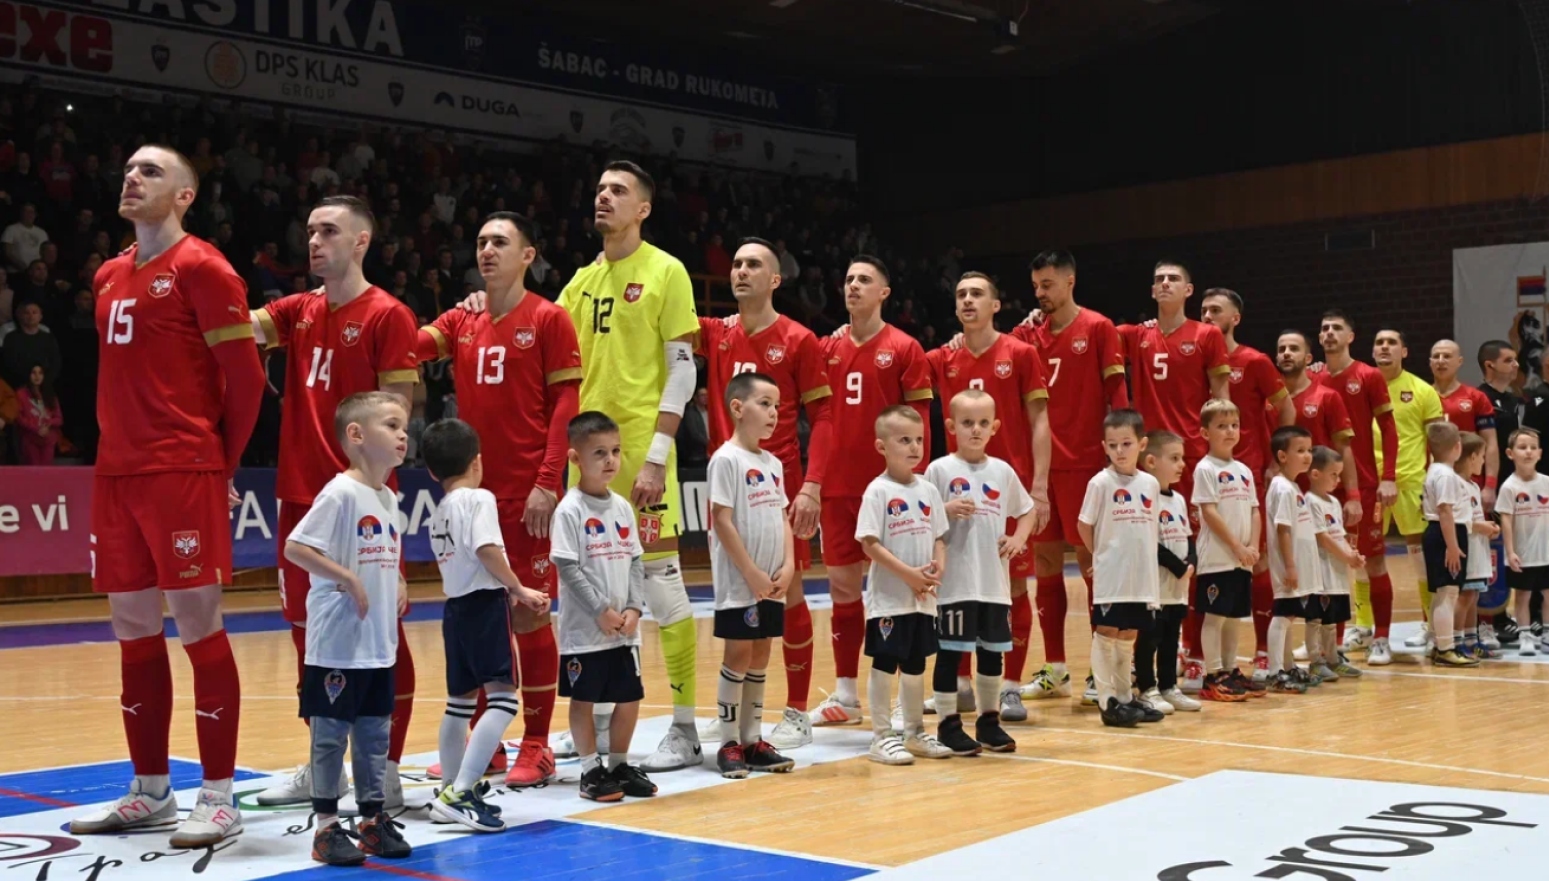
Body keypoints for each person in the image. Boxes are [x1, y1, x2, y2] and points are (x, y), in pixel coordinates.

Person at [69, 144, 263, 848]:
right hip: (116, 473)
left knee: (199, 626)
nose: (132, 177)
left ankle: (219, 797)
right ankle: (150, 791)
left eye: (150, 171)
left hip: (182, 469)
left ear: (185, 195)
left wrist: (221, 464)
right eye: (128, 168)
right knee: (132, 628)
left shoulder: (204, 267)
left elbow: (246, 381)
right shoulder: (108, 273)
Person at [251, 196, 420, 807]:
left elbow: (397, 420)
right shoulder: (297, 309)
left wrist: (383, 506)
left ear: (361, 241)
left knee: (383, 638)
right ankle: (323, 767)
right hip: (301, 498)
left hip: (361, 502)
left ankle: (387, 767)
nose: (315, 241)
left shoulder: (388, 315)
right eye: (311, 231)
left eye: (329, 231)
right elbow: (233, 324)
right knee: (309, 637)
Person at [417, 212, 580, 788]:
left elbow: (565, 406)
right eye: (482, 241)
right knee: (480, 616)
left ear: (527, 255)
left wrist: (547, 479)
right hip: (472, 498)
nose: (487, 250)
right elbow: (411, 345)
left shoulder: (549, 318)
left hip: (527, 492)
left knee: (528, 614)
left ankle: (536, 743)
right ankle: (486, 746)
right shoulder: (462, 319)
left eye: (500, 242)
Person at [556, 162, 702, 773]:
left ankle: (686, 727)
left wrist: (656, 458)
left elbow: (683, 371)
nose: (604, 197)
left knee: (660, 589)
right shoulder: (581, 280)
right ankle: (590, 722)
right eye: (599, 189)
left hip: (640, 454)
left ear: (643, 208)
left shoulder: (666, 270)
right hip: (584, 457)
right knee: (590, 593)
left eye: (618, 191)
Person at [695, 238, 833, 750]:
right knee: (736, 595)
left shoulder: (798, 339)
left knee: (786, 592)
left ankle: (795, 711)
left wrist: (812, 485)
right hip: (729, 482)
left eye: (753, 264)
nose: (740, 271)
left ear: (775, 279)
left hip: (782, 484)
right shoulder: (714, 332)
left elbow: (825, 417)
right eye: (735, 263)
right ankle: (732, 716)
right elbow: (653, 317)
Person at [282, 391, 414, 865]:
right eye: (392, 425)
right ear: (356, 435)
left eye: (404, 427)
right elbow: (297, 548)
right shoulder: (339, 492)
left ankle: (372, 821)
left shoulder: (388, 496)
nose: (403, 435)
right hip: (337, 645)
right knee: (331, 737)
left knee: (375, 734)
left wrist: (398, 580)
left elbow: (384, 550)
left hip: (377, 643)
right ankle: (325, 828)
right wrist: (347, 577)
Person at [811, 257, 933, 728]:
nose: (853, 286)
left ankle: (904, 695)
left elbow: (920, 425)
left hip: (890, 490)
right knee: (843, 588)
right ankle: (846, 695)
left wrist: (918, 482)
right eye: (848, 279)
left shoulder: (904, 347)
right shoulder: (826, 347)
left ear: (884, 292)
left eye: (864, 280)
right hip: (837, 488)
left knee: (901, 588)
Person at [925, 273, 1049, 724]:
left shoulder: (1020, 353)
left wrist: (1038, 488)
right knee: (957, 587)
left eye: (977, 293)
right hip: (957, 490)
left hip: (1005, 490)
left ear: (996, 305)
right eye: (961, 294)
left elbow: (1039, 420)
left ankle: (1010, 686)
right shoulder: (942, 357)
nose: (968, 300)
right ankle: (959, 685)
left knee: (1012, 589)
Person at [420, 418, 552, 830]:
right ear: (477, 461)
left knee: (459, 704)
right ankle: (461, 792)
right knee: (503, 701)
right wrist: (518, 588)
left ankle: (449, 790)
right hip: (483, 606)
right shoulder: (479, 498)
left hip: (455, 610)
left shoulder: (439, 510)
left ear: (431, 472)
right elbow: (486, 548)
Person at [1010, 251, 1128, 704]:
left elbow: (1117, 393)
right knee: (1045, 565)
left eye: (1047, 285)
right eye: (1035, 286)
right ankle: (1056, 669)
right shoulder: (1027, 334)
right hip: (1041, 469)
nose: (1039, 293)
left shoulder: (1098, 327)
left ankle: (1102, 670)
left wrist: (1121, 455)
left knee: (1092, 562)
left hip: (1085, 464)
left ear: (1070, 281)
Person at [1117, 261, 1231, 695]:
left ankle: (1194, 653)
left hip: (1189, 459)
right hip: (1145, 462)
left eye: (1173, 279)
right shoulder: (1136, 335)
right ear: (1152, 291)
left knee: (1193, 558)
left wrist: (1219, 452)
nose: (1165, 283)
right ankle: (1144, 660)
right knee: (1147, 554)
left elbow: (1221, 401)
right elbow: (1085, 328)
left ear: (1189, 289)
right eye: (1159, 279)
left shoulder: (1206, 335)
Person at [924, 390, 1036, 753]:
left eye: (983, 423)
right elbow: (922, 515)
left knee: (991, 654)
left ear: (995, 427)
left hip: (993, 583)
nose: (975, 429)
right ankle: (947, 726)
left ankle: (989, 723)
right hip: (955, 583)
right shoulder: (939, 469)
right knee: (950, 654)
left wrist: (1018, 538)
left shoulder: (1002, 471)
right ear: (951, 426)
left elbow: (1028, 510)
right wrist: (945, 509)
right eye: (967, 422)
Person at [550, 411, 654, 802]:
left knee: (629, 696)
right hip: (585, 631)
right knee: (585, 699)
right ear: (575, 458)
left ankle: (619, 764)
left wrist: (634, 608)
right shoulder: (570, 509)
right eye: (599, 453)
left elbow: (635, 561)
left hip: (624, 630)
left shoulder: (623, 507)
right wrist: (600, 611)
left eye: (615, 451)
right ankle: (590, 769)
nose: (610, 460)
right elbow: (568, 568)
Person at [707, 372, 799, 778]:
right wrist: (751, 573)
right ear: (737, 408)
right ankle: (729, 743)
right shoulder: (726, 459)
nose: (774, 413)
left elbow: (782, 517)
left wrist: (789, 565)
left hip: (772, 581)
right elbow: (722, 520)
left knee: (762, 652)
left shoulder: (773, 463)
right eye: (765, 403)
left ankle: (752, 739)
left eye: (777, 406)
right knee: (739, 653)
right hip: (741, 581)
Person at [1201, 289, 1294, 679]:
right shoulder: (1197, 356)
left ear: (1235, 318)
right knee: (1209, 564)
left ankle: (1261, 651)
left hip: (1248, 472)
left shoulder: (1253, 361)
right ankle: (1201, 659)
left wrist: (1274, 461)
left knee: (1256, 562)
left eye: (1215, 310)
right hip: (1205, 471)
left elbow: (1287, 407)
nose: (1207, 316)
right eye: (1203, 310)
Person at [857, 405, 949, 764]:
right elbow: (869, 543)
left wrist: (937, 570)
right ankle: (881, 737)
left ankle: (914, 732)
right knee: (885, 661)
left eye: (919, 440)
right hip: (889, 600)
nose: (914, 447)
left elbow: (939, 536)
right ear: (882, 446)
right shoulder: (877, 491)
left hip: (923, 599)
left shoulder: (928, 489)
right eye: (905, 440)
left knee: (915, 663)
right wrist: (909, 574)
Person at [1312, 310, 1399, 664]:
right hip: (1320, 487)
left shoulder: (1368, 375)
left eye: (1337, 328)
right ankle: (1331, 641)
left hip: (1361, 484)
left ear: (1351, 336)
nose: (1329, 333)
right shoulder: (1312, 376)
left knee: (1373, 562)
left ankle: (1382, 638)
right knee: (1325, 564)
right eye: (1324, 328)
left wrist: (1388, 476)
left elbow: (1389, 429)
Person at [1078, 408, 1164, 728]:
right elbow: (1084, 524)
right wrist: (1100, 556)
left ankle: (1126, 697)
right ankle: (1107, 701)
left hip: (1141, 576)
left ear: (1142, 444)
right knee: (1107, 631)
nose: (1119, 451)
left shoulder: (1151, 484)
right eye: (1112, 445)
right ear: (1104, 446)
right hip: (1112, 575)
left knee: (1129, 633)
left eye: (1126, 444)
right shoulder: (1100, 483)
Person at [1370, 328, 1446, 652]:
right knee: (1366, 556)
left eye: (1392, 343)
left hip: (1412, 482)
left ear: (1404, 351)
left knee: (1420, 557)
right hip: (1370, 483)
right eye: (1379, 343)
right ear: (1372, 351)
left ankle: (1430, 626)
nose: (1385, 347)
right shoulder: (1361, 385)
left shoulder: (1422, 390)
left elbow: (1439, 442)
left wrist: (1439, 483)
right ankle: (1363, 627)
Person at [1191, 400, 1262, 701]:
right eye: (1222, 426)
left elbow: (1255, 510)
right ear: (1205, 433)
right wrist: (1236, 546)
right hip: (1218, 559)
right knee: (1215, 617)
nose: (1230, 431)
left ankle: (1231, 670)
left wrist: (1253, 547)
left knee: (1234, 617)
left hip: (1242, 559)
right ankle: (1212, 676)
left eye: (1234, 425)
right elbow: (1209, 512)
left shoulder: (1243, 470)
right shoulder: (1205, 468)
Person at [1137, 429, 1200, 713]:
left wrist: (1192, 561)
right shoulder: (1144, 497)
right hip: (1155, 585)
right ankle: (1146, 688)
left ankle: (1168, 686)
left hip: (1177, 586)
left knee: (1171, 637)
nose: (1181, 464)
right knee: (1150, 637)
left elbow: (1187, 536)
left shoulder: (1178, 499)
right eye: (1174, 458)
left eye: (1182, 458)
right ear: (1151, 461)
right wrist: (1177, 566)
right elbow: (1148, 541)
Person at [1476, 339, 1526, 649]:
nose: (1516, 365)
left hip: (1512, 487)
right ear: (1490, 365)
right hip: (1488, 490)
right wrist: (1488, 486)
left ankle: (1504, 614)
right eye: (1509, 360)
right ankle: (1486, 618)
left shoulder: (1512, 400)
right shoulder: (1480, 398)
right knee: (1490, 553)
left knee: (1510, 552)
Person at [1265, 425, 1320, 693]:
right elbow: (1283, 529)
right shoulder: (1283, 488)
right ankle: (1274, 672)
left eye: (1309, 450)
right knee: (1283, 615)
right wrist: (1290, 565)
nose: (1307, 456)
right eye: (1300, 450)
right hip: (1288, 565)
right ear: (1282, 456)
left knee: (1289, 616)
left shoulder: (1293, 486)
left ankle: (1287, 666)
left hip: (1297, 564)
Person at [1419, 421, 1476, 667]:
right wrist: (1452, 547)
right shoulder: (1446, 475)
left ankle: (1437, 644)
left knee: (1442, 593)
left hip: (1439, 533)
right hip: (1446, 535)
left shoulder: (1434, 470)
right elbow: (1445, 511)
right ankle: (1445, 649)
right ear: (1457, 447)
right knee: (1448, 593)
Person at [1306, 446, 1365, 680]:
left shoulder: (1333, 502)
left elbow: (1339, 535)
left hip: (1337, 570)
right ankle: (1315, 661)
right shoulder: (1310, 501)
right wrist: (1346, 556)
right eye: (1334, 474)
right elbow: (1322, 537)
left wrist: (1353, 554)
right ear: (1315, 474)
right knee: (1315, 619)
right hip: (1320, 571)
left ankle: (1332, 659)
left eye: (1339, 475)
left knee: (1331, 620)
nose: (1338, 480)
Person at [1495, 428, 1549, 655]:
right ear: (1510, 453)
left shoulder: (1547, 482)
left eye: (1533, 448)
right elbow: (1506, 521)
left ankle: (1546, 634)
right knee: (1523, 595)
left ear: (1540, 453)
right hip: (1522, 553)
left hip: (1546, 552)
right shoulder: (1509, 487)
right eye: (1522, 447)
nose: (1528, 452)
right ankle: (1525, 634)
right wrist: (1510, 552)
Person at [1455, 432, 1497, 659]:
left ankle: (1471, 640)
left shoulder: (1472, 485)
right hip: (1466, 550)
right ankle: (1455, 642)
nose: (1483, 461)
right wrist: (1482, 527)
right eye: (1482, 456)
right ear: (1472, 457)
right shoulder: (1457, 485)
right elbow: (1459, 521)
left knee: (1473, 596)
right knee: (1465, 596)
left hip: (1477, 549)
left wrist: (1488, 528)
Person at [16, 362, 61, 464]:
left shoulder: (50, 394)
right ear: (28, 375)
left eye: (40, 373)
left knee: (46, 471)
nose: (37, 376)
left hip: (48, 439)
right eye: (34, 373)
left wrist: (48, 423)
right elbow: (18, 417)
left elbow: (59, 418)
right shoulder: (21, 394)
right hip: (30, 439)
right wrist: (36, 428)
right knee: (34, 470)